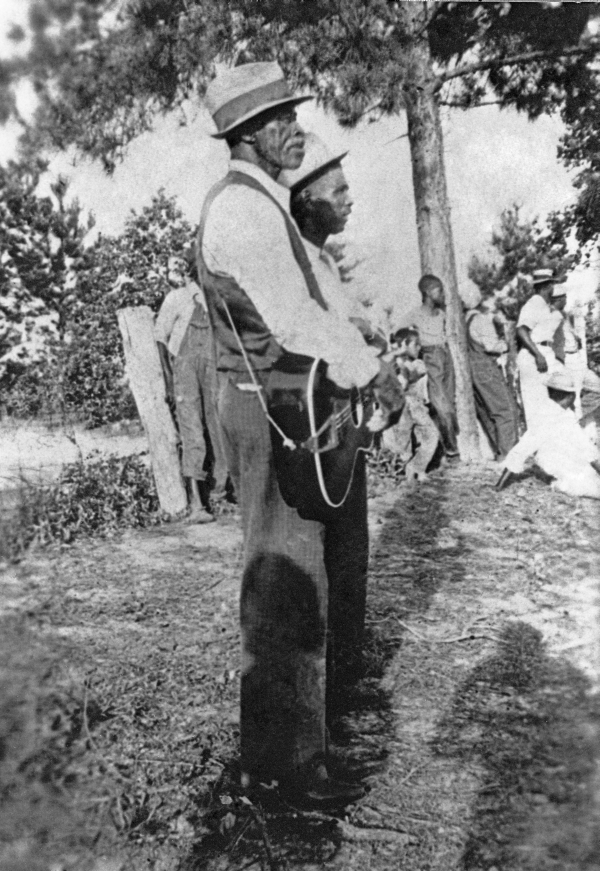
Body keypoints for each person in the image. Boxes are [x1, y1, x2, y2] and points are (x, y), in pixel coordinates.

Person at [196, 62, 403, 809]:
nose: (294, 130)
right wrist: (372, 369)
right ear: (247, 135)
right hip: (267, 403)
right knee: (284, 585)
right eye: (280, 119)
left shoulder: (261, 204)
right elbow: (295, 321)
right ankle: (280, 767)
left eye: (291, 114)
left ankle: (293, 753)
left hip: (287, 399)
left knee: (302, 578)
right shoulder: (245, 211)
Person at [278, 133, 390, 714]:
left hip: (339, 422)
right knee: (332, 549)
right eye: (338, 190)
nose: (350, 200)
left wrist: (367, 333)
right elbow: (316, 331)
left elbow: (347, 324)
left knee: (351, 548)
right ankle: (330, 682)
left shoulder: (321, 260)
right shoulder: (293, 258)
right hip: (313, 423)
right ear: (306, 199)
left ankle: (345, 671)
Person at [154, 254, 228, 523]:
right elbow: (160, 338)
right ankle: (197, 506)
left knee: (219, 428)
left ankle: (220, 495)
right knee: (192, 432)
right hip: (184, 369)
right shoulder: (177, 298)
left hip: (211, 367)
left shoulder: (215, 302)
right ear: (191, 271)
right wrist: (169, 379)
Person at [398, 274, 460, 463]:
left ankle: (437, 453)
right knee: (442, 406)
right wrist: (409, 355)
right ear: (427, 292)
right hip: (430, 357)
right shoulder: (415, 314)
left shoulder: (441, 314)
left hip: (445, 356)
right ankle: (452, 452)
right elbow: (397, 333)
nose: (442, 294)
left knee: (448, 403)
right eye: (438, 290)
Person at [465, 296, 519, 461]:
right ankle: (509, 457)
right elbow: (491, 346)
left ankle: (499, 450)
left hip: (471, 370)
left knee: (488, 414)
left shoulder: (464, 321)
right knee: (506, 411)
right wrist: (505, 344)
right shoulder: (480, 319)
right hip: (485, 368)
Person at [384, 327, 439, 481]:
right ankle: (402, 475)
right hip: (402, 407)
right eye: (416, 345)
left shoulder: (415, 362)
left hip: (417, 405)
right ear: (405, 344)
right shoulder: (396, 363)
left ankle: (416, 467)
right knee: (402, 444)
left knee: (431, 435)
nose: (419, 348)